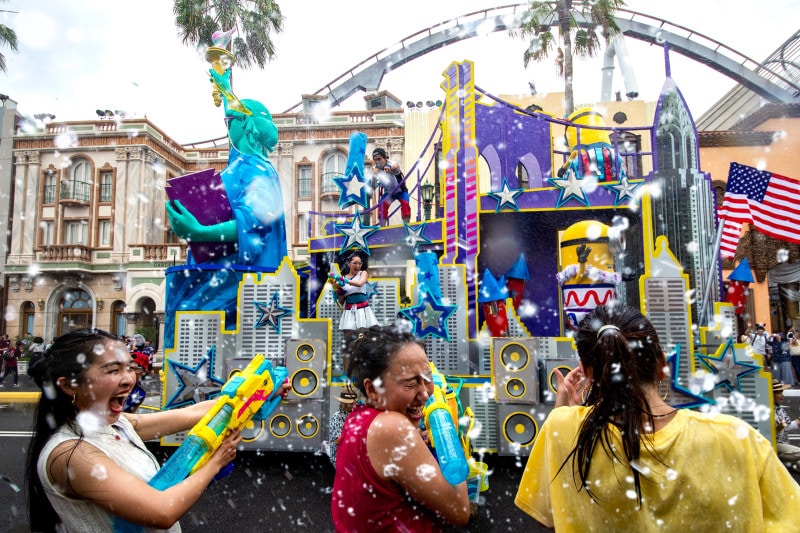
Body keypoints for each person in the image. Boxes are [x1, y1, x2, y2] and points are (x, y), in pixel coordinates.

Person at [514, 303, 800, 531]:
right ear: (663, 365)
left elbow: (548, 517)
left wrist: (563, 411)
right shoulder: (738, 439)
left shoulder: (563, 429)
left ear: (588, 373)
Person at [24, 329, 261, 532]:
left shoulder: (116, 423)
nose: (129, 379)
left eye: (130, 367)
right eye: (113, 370)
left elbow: (191, 414)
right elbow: (162, 511)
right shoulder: (71, 455)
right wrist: (216, 462)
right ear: (69, 385)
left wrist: (259, 393)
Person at [331, 325, 470, 531]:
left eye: (428, 378)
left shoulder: (359, 417)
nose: (425, 394)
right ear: (373, 389)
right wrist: (448, 432)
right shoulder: (391, 428)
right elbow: (459, 511)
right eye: (410, 383)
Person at [334, 252, 378, 372]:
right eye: (355, 263)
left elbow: (359, 283)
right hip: (349, 312)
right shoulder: (343, 278)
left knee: (364, 344)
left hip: (363, 312)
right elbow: (341, 301)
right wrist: (338, 290)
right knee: (347, 345)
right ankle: (347, 375)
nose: (357, 265)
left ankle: (363, 373)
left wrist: (344, 281)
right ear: (349, 264)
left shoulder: (362, 273)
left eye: (359, 263)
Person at [371, 147, 410, 226]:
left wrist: (390, 168)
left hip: (400, 191)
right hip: (389, 193)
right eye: (375, 160)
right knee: (382, 207)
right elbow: (372, 187)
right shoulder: (375, 169)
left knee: (405, 205)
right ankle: (382, 228)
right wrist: (374, 177)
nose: (377, 162)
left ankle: (407, 226)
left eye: (379, 159)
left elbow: (396, 166)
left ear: (385, 158)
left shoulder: (391, 163)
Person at [327, 383, 358, 467]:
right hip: (340, 457)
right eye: (346, 402)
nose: (349, 405)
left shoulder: (356, 414)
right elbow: (338, 441)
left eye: (351, 403)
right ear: (341, 402)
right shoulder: (337, 417)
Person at [773, 378, 800, 472]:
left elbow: (786, 427)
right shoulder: (767, 410)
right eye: (778, 393)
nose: (782, 396)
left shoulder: (779, 409)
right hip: (774, 445)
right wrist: (778, 428)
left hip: (784, 443)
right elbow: (766, 433)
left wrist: (797, 422)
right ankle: (776, 461)